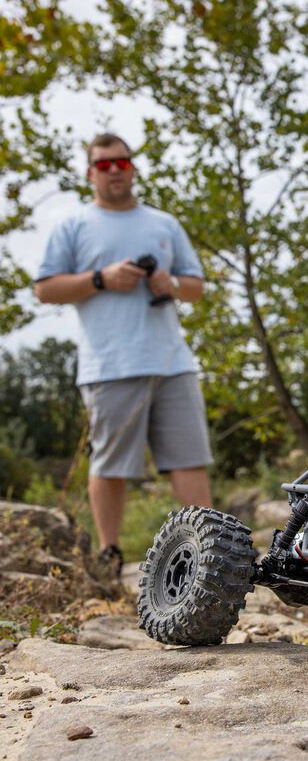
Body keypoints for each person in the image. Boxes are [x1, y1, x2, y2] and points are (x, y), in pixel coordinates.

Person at [34, 133, 213, 576]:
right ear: (90, 172)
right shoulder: (73, 225)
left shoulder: (164, 223)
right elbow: (45, 288)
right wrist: (100, 279)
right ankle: (109, 557)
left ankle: (209, 558)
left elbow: (196, 287)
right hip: (110, 365)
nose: (114, 170)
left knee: (189, 459)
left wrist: (171, 284)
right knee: (110, 464)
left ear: (132, 167)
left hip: (173, 363)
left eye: (122, 162)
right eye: (104, 164)